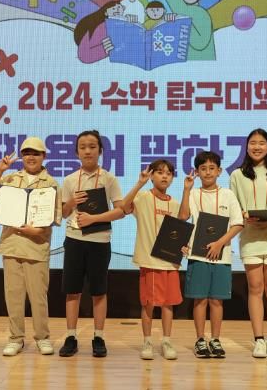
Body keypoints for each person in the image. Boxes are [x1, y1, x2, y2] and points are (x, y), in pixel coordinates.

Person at [0, 137, 62, 357]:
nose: (31, 157)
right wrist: (0, 170)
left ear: (43, 156)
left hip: (37, 246)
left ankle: (42, 338)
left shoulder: (51, 184)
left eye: (36, 153)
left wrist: (36, 232)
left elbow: (54, 217)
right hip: (12, 245)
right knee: (13, 296)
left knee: (38, 297)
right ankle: (15, 338)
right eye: (27, 153)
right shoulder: (10, 178)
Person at [59, 130, 124, 358]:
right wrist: (70, 202)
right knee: (72, 290)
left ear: (100, 151)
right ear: (76, 152)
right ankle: (70, 336)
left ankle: (99, 336)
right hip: (74, 240)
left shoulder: (108, 178)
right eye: (83, 147)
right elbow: (62, 213)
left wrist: (94, 219)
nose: (87, 151)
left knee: (99, 291)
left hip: (100, 240)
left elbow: (120, 211)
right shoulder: (69, 180)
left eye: (92, 146)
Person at [229, 129, 267, 359]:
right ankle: (259, 340)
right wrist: (244, 214)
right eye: (252, 143)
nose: (257, 147)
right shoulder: (237, 175)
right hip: (250, 237)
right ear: (246, 147)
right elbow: (234, 205)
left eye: (261, 143)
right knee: (255, 289)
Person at [178, 151, 243, 358]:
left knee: (217, 300)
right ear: (197, 172)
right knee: (200, 300)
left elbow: (238, 223)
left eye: (212, 168)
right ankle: (200, 339)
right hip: (198, 255)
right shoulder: (194, 194)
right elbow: (183, 216)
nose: (207, 172)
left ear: (219, 171)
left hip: (221, 255)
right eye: (203, 169)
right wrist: (186, 190)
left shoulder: (228, 195)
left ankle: (215, 339)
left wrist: (219, 243)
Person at [121, 160, 182, 360]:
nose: (165, 176)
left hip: (170, 261)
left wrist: (183, 246)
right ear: (152, 176)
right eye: (160, 172)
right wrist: (140, 183)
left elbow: (179, 231)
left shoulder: (175, 204)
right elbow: (123, 206)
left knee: (168, 304)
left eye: (169, 173)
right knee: (148, 304)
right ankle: (147, 341)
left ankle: (166, 341)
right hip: (149, 261)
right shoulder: (143, 197)